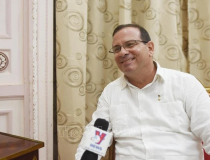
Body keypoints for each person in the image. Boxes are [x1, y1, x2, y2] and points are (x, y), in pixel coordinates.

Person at [75, 23, 210, 160]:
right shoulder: (111, 92)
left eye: (130, 44)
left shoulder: (185, 83)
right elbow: (95, 138)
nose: (123, 52)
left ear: (150, 48)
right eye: (117, 49)